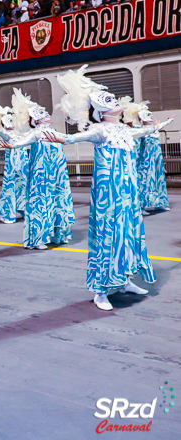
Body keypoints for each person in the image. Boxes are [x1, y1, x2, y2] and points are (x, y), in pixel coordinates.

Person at [49, 64, 174, 311]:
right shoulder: (99, 130)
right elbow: (74, 138)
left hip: (128, 193)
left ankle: (125, 279)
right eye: (111, 100)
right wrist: (60, 138)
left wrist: (158, 125)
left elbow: (142, 131)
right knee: (108, 235)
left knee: (128, 233)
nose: (116, 101)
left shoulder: (123, 130)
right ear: (101, 109)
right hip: (109, 195)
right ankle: (101, 290)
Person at [0, 89, 75, 250]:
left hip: (57, 175)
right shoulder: (37, 134)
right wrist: (12, 145)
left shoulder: (54, 132)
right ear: (37, 119)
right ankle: (38, 238)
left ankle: (58, 234)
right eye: (42, 114)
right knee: (41, 203)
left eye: (46, 113)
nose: (47, 115)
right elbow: (23, 141)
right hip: (41, 176)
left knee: (58, 200)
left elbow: (69, 139)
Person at [120, 98, 171, 212]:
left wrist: (169, 120)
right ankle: (140, 205)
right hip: (144, 161)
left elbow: (159, 126)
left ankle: (160, 202)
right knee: (144, 180)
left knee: (158, 178)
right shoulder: (139, 130)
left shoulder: (151, 129)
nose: (151, 118)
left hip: (155, 159)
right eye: (148, 116)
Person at [0, 105, 29, 224]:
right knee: (11, 188)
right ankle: (8, 213)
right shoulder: (9, 136)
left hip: (23, 167)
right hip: (13, 168)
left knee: (23, 187)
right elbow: (4, 135)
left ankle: (23, 209)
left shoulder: (20, 135)